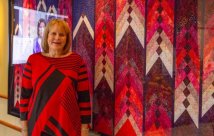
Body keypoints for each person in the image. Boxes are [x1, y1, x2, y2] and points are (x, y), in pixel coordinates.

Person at [20, 18, 91, 136]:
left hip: (68, 126)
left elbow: (84, 99)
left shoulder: (77, 61)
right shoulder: (33, 60)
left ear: (67, 39)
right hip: (38, 125)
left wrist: (84, 128)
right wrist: (24, 127)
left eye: (62, 35)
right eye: (53, 33)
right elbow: (24, 96)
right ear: (47, 36)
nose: (57, 38)